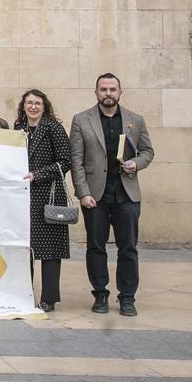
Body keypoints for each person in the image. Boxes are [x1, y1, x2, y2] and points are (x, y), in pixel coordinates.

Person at [69, 73, 155, 317]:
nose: (108, 93)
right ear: (96, 92)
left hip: (126, 195)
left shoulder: (135, 120)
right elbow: (77, 161)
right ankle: (100, 294)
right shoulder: (81, 120)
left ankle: (127, 297)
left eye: (112, 89)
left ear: (120, 92)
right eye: (103, 89)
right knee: (96, 248)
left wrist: (136, 164)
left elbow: (148, 151)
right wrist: (83, 193)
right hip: (95, 197)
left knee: (128, 248)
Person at [14, 89, 72, 313]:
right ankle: (25, 292)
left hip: (48, 195)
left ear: (44, 106)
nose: (33, 107)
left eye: (37, 103)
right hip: (23, 196)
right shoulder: (19, 128)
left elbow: (65, 161)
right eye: (29, 102)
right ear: (23, 105)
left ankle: (49, 298)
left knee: (50, 250)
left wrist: (38, 174)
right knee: (25, 248)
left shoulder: (53, 128)